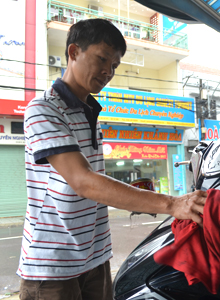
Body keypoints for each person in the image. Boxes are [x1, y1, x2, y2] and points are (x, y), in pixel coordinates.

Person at [18, 19, 207, 300]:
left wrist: (138, 197)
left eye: (115, 66)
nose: (108, 71)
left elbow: (91, 182)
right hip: (52, 266)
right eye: (102, 59)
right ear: (73, 52)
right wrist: (172, 204)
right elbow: (84, 182)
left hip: (95, 259)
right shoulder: (43, 109)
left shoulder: (90, 112)